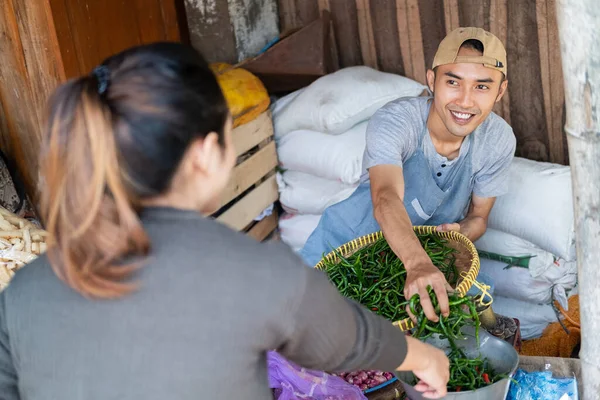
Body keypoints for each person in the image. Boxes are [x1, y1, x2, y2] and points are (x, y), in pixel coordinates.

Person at [0, 43, 449, 400]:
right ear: (204, 154)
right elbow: (345, 340)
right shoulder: (255, 273)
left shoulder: (23, 293)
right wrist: (425, 357)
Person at [300, 27, 516, 323]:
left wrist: (460, 234)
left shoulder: (498, 140)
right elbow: (386, 198)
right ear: (432, 81)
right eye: (453, 82)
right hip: (347, 257)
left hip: (422, 265)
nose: (465, 101)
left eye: (482, 87)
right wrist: (418, 264)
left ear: (500, 91)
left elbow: (479, 217)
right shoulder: (397, 121)